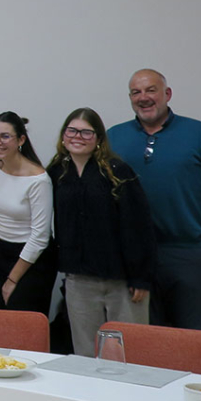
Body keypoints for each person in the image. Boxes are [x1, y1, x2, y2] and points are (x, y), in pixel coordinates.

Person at [108, 69, 201, 330]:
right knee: (143, 339)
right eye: (136, 92)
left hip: (188, 253)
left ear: (167, 94)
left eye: (150, 90)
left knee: (192, 339)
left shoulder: (200, 134)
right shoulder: (114, 137)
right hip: (134, 257)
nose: (143, 97)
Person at [48, 108, 156, 357]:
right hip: (79, 280)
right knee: (85, 352)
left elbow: (139, 225)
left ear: (98, 138)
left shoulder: (118, 172)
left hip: (122, 281)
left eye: (86, 132)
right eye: (72, 130)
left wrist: (141, 277)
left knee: (129, 352)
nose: (78, 136)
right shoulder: (56, 173)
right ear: (64, 135)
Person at [0, 111, 56, 314]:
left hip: (31, 260)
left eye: (5, 136)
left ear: (21, 140)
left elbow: (40, 236)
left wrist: (12, 279)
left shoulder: (39, 180)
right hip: (1, 253)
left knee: (23, 327)